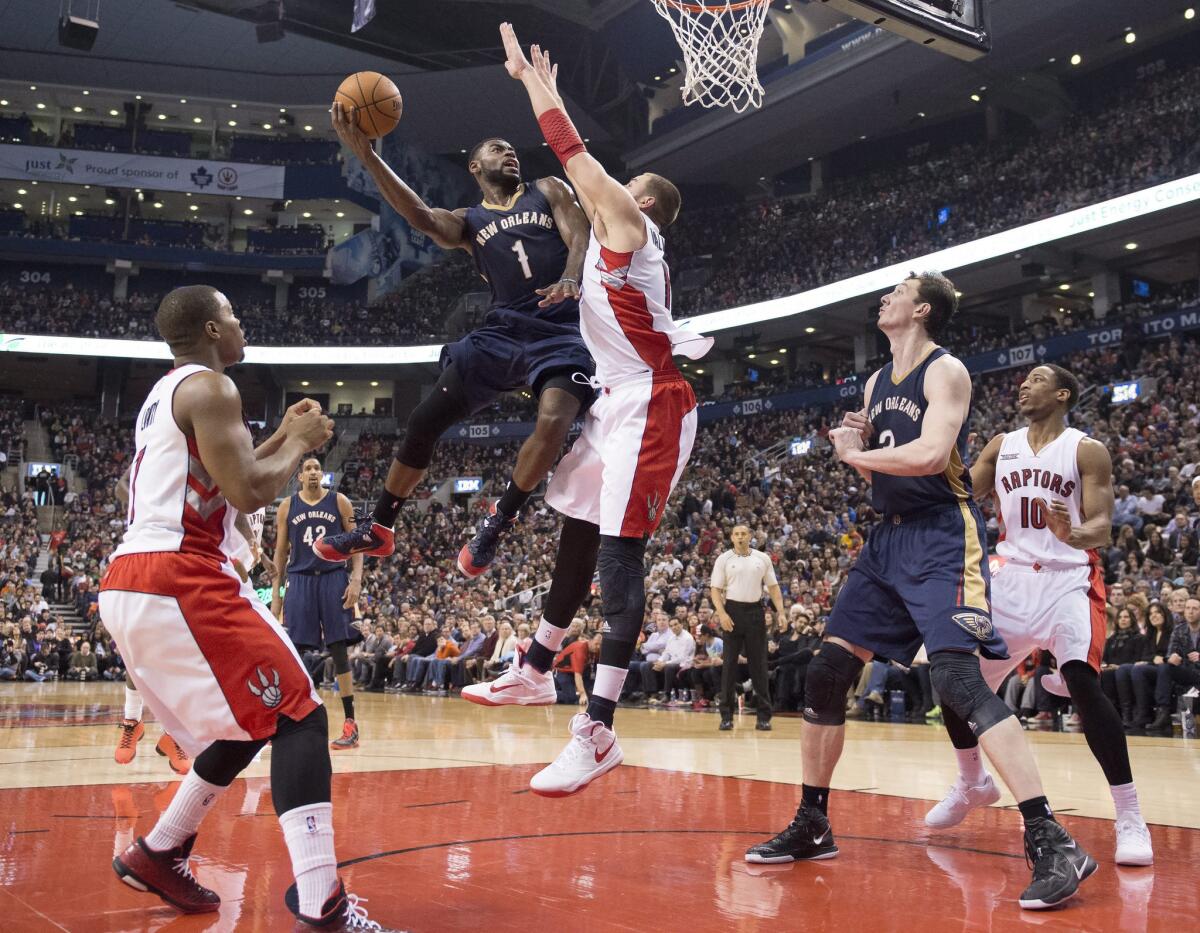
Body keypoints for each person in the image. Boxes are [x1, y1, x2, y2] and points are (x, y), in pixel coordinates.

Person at [747, 275, 1096, 911]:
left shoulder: (946, 371)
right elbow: (887, 450)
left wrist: (854, 456)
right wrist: (862, 437)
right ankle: (814, 820)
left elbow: (934, 454)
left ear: (922, 309)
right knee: (826, 673)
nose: (885, 298)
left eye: (897, 291)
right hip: (886, 542)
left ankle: (1051, 837)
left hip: (942, 536)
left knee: (959, 684)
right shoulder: (877, 382)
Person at [460, 24, 713, 799]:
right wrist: (541, 88)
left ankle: (597, 729)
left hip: (655, 404)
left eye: (620, 184)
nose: (608, 188)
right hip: (617, 401)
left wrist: (531, 86)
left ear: (641, 203)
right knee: (572, 514)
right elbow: (578, 161)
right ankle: (535, 668)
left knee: (619, 555)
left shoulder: (631, 228)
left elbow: (573, 154)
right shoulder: (618, 237)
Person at [97, 285, 379, 928]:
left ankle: (160, 850)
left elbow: (217, 471)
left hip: (138, 576)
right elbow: (249, 491)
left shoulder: (163, 395)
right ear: (211, 329)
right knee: (302, 714)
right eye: (233, 314)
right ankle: (322, 905)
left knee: (252, 722)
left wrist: (282, 431)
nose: (240, 322)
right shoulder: (213, 389)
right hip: (182, 575)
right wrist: (303, 443)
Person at [315, 92, 595, 579]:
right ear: (474, 165)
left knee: (553, 421)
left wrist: (572, 276)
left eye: (511, 148)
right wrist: (368, 155)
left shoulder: (547, 188)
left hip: (561, 327)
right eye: (496, 148)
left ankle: (498, 520)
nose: (509, 152)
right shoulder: (470, 221)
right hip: (502, 331)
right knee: (423, 419)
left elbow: (580, 236)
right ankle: (378, 528)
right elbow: (420, 215)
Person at [923, 364, 1153, 866]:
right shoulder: (1001, 445)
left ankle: (1131, 817)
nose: (1024, 385)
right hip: (1010, 578)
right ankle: (972, 782)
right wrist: (928, 436)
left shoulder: (1086, 449)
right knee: (953, 682)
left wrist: (1073, 531)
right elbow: (958, 490)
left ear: (1063, 393)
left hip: (1068, 578)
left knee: (1084, 687)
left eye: (1037, 379)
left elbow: (1102, 529)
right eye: (1022, 381)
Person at [272, 457, 364, 751]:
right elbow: (280, 553)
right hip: (299, 580)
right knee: (295, 652)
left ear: (322, 475)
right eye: (308, 469)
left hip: (333, 577)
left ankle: (350, 723)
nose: (313, 472)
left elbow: (357, 542)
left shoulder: (340, 502)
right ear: (299, 477)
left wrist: (356, 580)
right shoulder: (288, 506)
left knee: (339, 649)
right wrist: (276, 594)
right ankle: (291, 718)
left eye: (317, 468)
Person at [710, 525, 785, 731]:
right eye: (737, 534)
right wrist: (722, 613)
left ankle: (764, 717)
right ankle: (726, 716)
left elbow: (773, 588)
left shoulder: (762, 558)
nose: (741, 537)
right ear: (731, 537)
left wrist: (782, 612)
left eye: (744, 534)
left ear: (750, 536)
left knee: (759, 665)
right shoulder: (723, 559)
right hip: (732, 612)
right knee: (729, 666)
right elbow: (715, 590)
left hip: (755, 612)